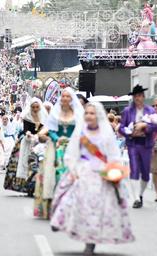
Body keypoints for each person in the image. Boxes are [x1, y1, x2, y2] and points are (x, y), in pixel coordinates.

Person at [50, 102, 134, 256]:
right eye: (86, 113)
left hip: (101, 174)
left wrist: (112, 171)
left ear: (98, 115)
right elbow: (72, 153)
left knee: (97, 209)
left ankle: (90, 242)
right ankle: (60, 222)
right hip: (83, 171)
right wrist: (73, 169)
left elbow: (114, 155)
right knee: (69, 198)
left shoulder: (106, 133)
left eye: (92, 113)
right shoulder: (81, 132)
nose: (89, 116)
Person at [34, 88, 84, 219]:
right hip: (57, 147)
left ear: (72, 99)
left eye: (68, 96)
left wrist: (74, 139)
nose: (65, 98)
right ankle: (55, 205)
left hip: (73, 147)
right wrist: (57, 139)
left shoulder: (78, 113)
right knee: (56, 174)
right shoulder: (56, 113)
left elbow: (82, 129)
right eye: (63, 96)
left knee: (73, 174)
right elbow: (50, 129)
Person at [119, 84, 157, 208]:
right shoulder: (127, 111)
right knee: (134, 169)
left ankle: (140, 194)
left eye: (140, 96)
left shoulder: (150, 111)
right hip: (133, 143)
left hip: (146, 144)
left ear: (143, 96)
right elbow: (121, 128)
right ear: (133, 97)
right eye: (136, 96)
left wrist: (145, 127)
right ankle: (136, 198)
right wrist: (129, 131)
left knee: (146, 173)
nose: (138, 98)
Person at [4, 98, 47, 195]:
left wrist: (40, 136)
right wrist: (28, 134)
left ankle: (38, 186)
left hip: (40, 142)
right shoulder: (27, 116)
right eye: (33, 107)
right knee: (26, 163)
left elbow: (45, 129)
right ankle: (27, 187)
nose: (35, 109)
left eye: (37, 107)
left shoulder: (44, 116)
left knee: (40, 164)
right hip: (28, 142)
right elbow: (26, 130)